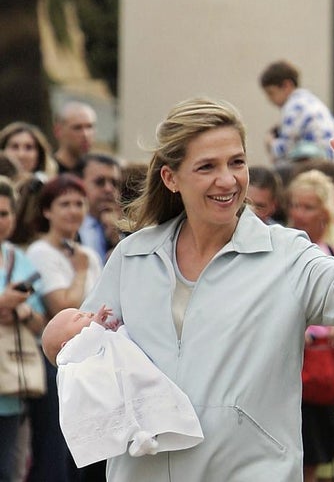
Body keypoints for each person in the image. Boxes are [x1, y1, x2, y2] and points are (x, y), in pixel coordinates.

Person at [77, 96, 334, 481]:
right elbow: (85, 348)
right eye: (207, 167)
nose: (228, 180)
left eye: (237, 162)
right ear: (171, 178)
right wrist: (61, 343)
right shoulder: (133, 255)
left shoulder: (286, 254)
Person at [41, 305, 203, 470]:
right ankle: (138, 436)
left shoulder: (98, 339)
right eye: (79, 317)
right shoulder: (68, 355)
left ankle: (148, 434)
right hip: (112, 389)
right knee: (128, 411)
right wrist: (96, 324)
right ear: (65, 344)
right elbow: (86, 343)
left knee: (147, 401)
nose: (88, 313)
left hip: (130, 377)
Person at [25, 174, 103, 482]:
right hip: (57, 364)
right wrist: (81, 272)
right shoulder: (40, 252)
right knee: (57, 450)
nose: (74, 210)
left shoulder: (87, 253)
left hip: (94, 362)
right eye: (65, 204)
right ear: (47, 210)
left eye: (79, 203)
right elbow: (64, 307)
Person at [286, 170, 334, 481]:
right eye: (295, 205)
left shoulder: (333, 253)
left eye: (308, 206)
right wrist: (320, 331)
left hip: (321, 374)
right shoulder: (283, 250)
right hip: (292, 372)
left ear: (325, 212)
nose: (298, 214)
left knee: (320, 452)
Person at [0, 176, 46, 482]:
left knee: (8, 472)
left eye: (4, 213)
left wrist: (21, 310)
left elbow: (41, 323)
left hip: (9, 390)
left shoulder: (20, 260)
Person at [260, 60, 334, 162]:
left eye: (271, 93)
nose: (269, 99)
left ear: (287, 85)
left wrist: (270, 143)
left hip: (318, 161)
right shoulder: (309, 100)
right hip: (332, 158)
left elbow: (285, 149)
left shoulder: (293, 107)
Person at [77, 153, 122, 263]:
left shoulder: (127, 230)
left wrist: (118, 239)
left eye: (114, 183)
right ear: (79, 184)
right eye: (100, 182)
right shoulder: (70, 226)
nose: (109, 189)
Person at [53, 101, 97, 176]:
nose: (85, 134)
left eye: (89, 127)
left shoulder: (97, 174)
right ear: (58, 131)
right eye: (77, 128)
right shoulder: (48, 171)